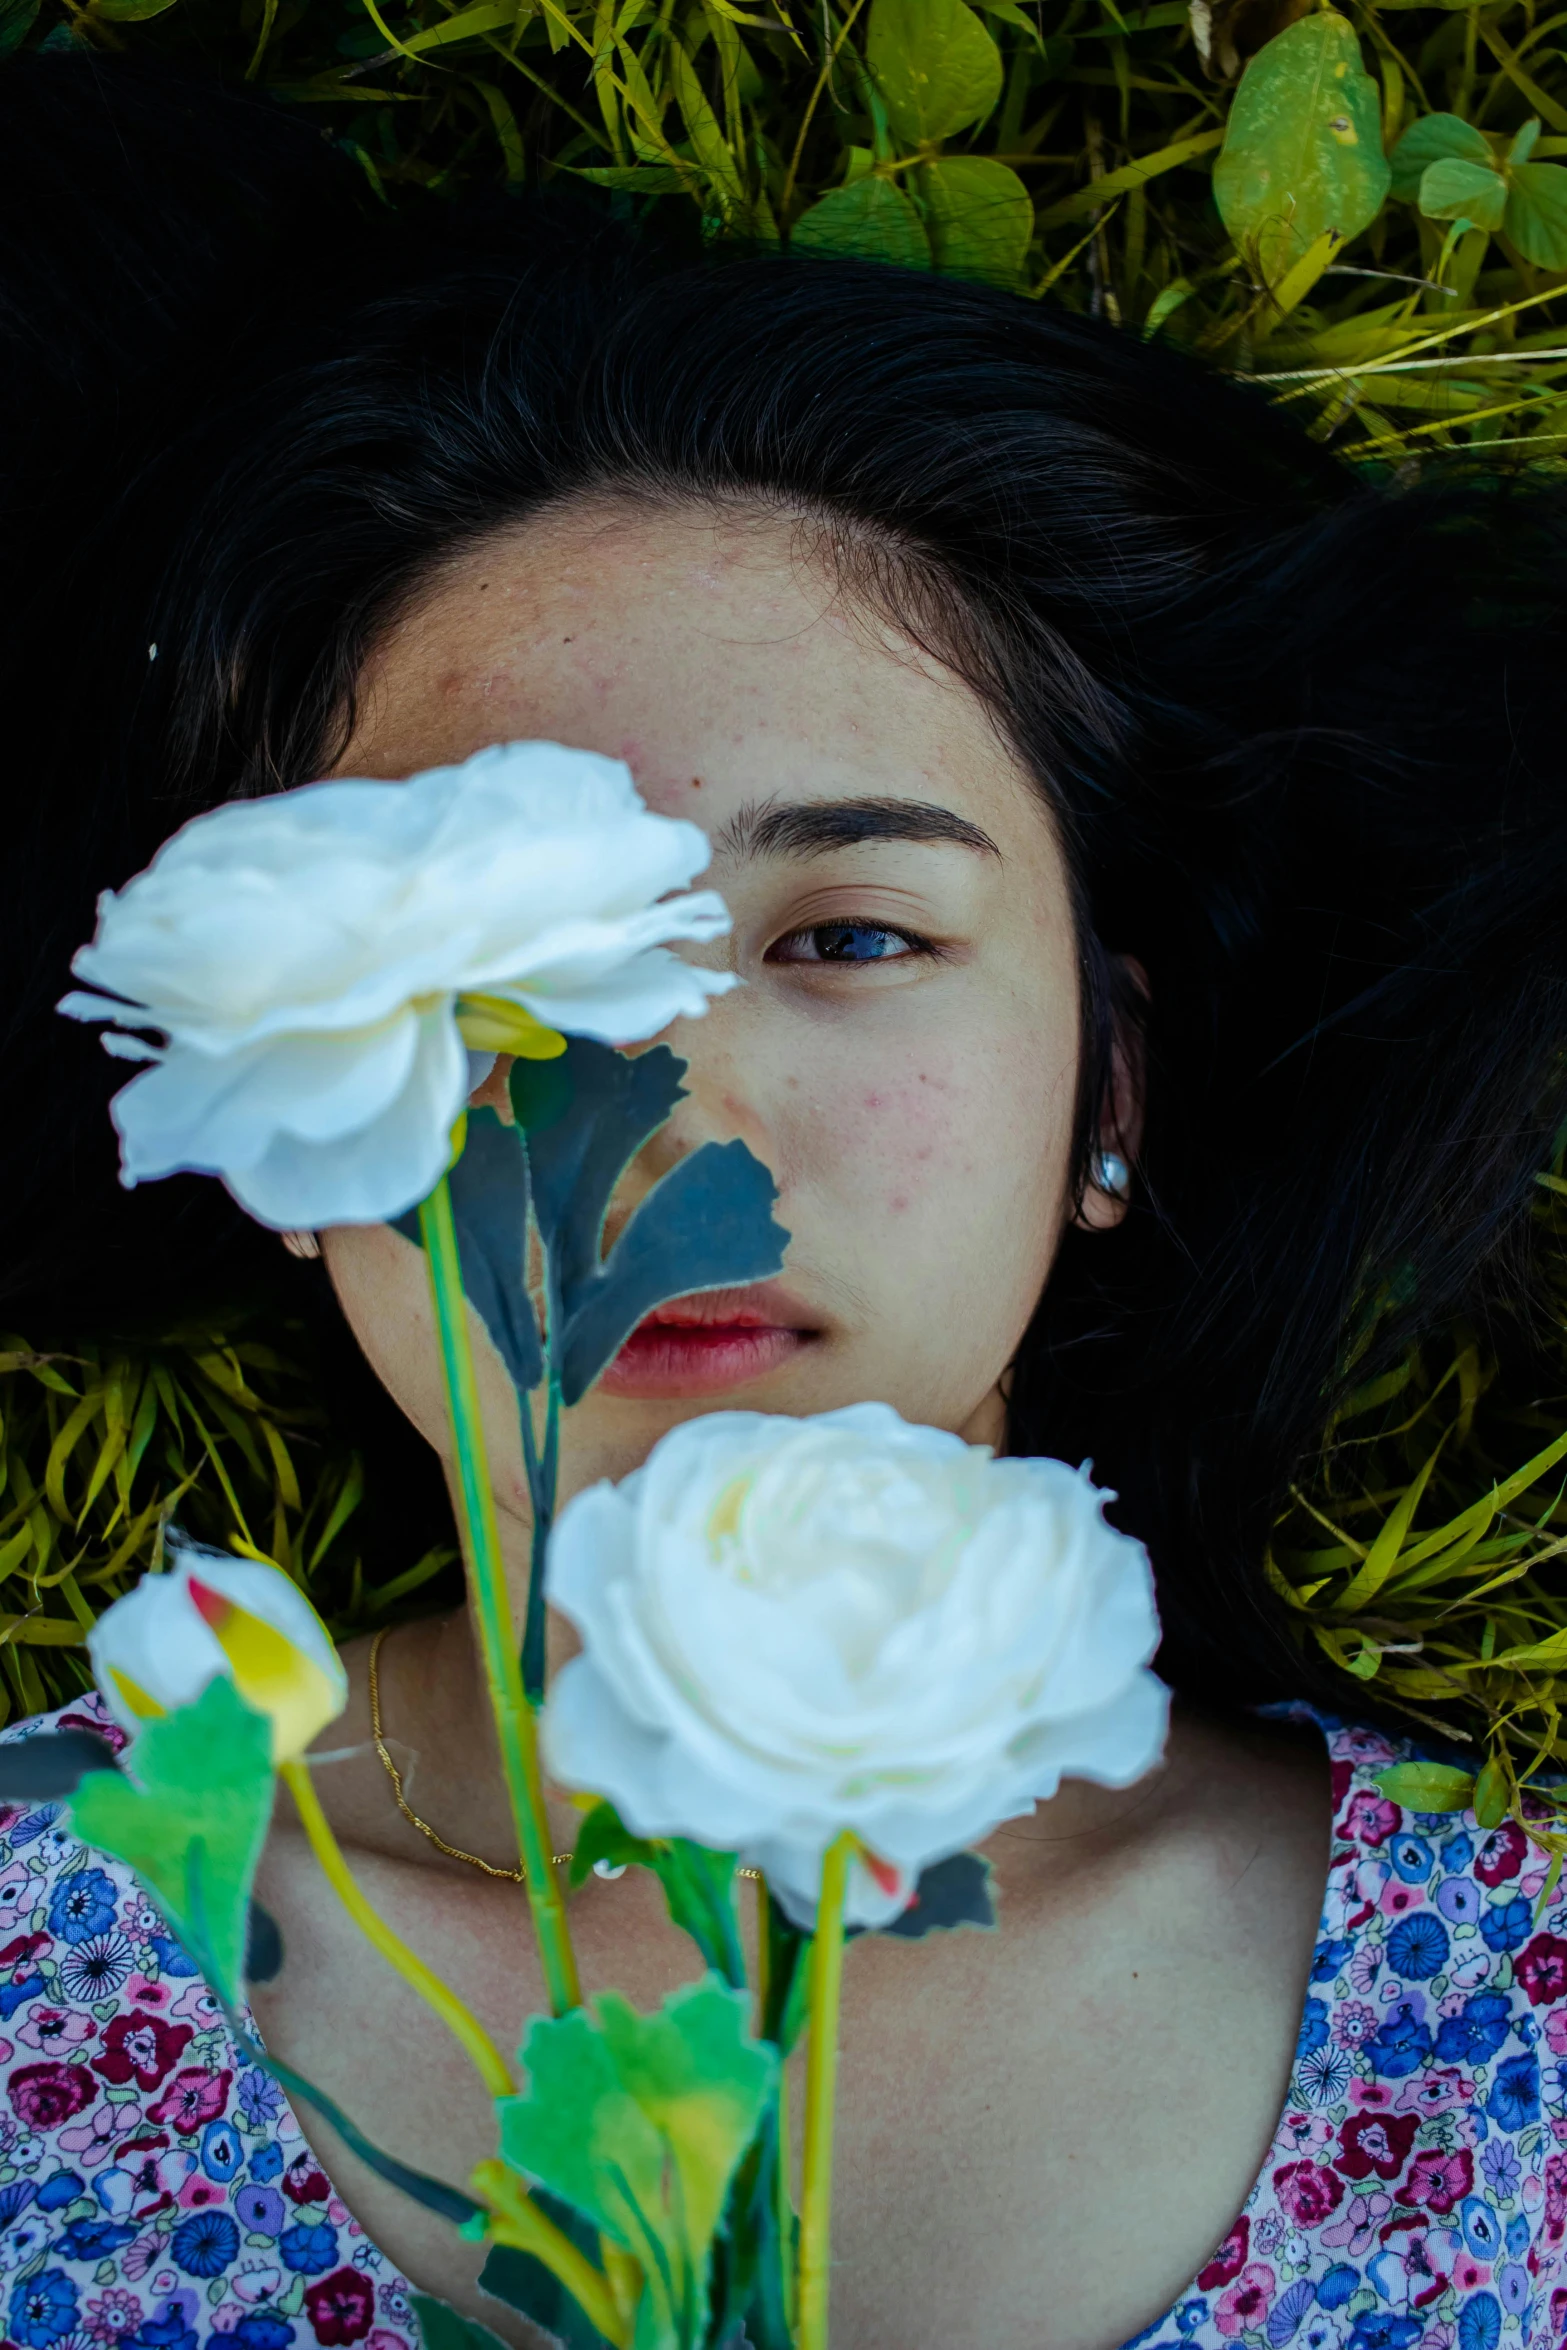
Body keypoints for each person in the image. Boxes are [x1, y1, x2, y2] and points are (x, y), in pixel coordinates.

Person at [2, 51, 1567, 2350]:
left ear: (1106, 1078)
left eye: (847, 933)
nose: (676, 1135)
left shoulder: (1516, 2012)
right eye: (498, 980)